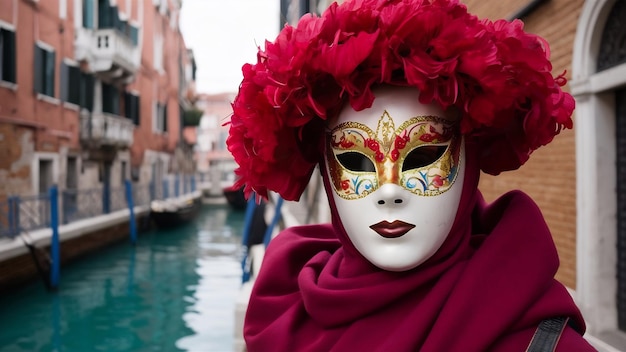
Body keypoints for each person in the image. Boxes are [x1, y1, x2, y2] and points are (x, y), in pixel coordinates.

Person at [226, 0, 597, 350]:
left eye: (424, 154)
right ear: (324, 168)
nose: (389, 191)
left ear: (470, 160)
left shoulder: (544, 344)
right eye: (355, 161)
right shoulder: (282, 311)